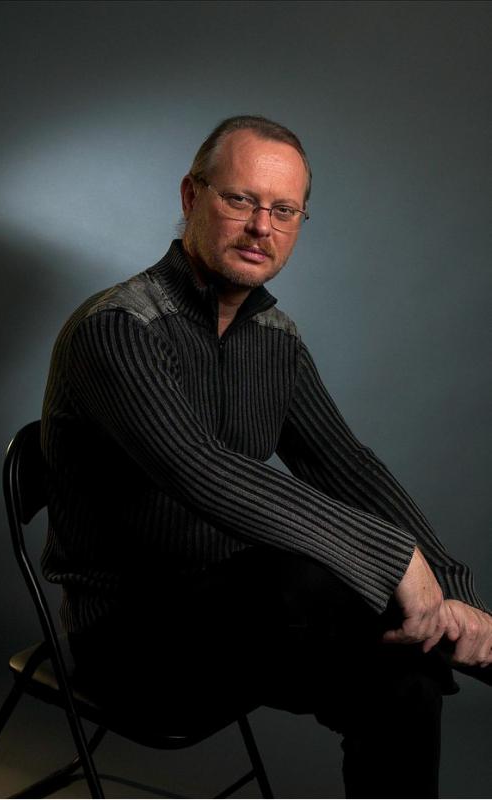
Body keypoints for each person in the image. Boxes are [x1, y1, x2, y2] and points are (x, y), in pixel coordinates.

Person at [41, 115, 492, 798]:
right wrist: (393, 559)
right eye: (240, 199)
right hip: (131, 644)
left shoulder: (275, 339)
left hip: (249, 626)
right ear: (192, 196)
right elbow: (200, 468)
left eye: (284, 210)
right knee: (314, 575)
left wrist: (454, 589)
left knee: (402, 669)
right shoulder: (117, 328)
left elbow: (346, 466)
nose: (261, 227)